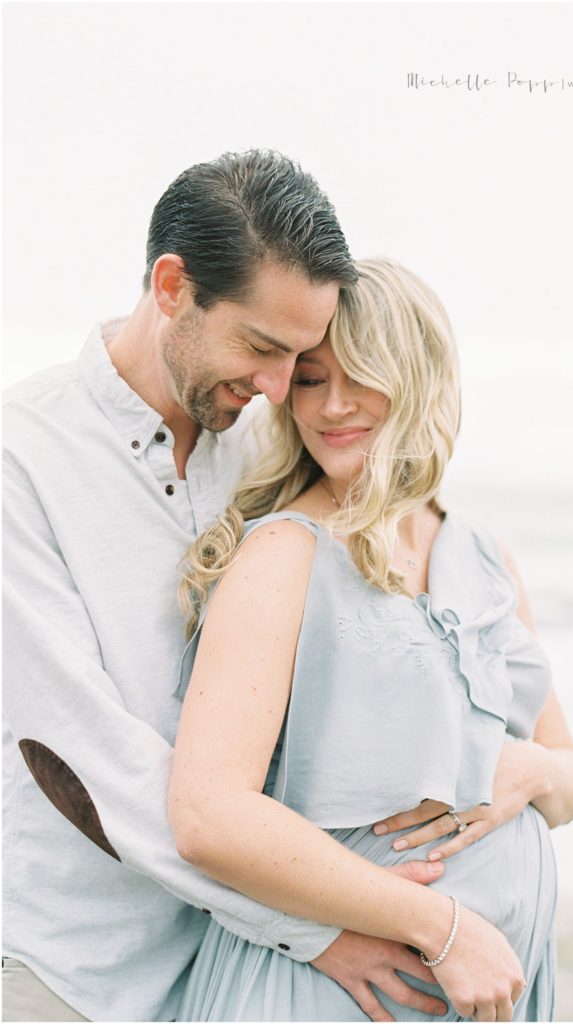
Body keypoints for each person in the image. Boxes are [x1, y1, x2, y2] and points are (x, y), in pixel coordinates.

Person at [3, 150, 462, 1024]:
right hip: (69, 975)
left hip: (231, 973)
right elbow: (79, 760)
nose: (280, 390)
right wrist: (316, 925)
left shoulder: (261, 448)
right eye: (261, 347)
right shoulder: (21, 460)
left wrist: (521, 767)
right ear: (172, 286)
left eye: (301, 357)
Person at [169, 258, 573, 1022]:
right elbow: (208, 814)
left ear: (422, 376)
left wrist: (527, 770)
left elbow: (572, 780)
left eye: (362, 374)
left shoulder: (484, 555)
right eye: (308, 379)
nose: (332, 406)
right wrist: (447, 928)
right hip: (328, 996)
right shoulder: (285, 555)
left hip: (489, 993)